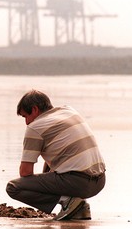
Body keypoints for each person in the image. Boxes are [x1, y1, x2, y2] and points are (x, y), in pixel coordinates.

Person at [6, 89, 106, 220]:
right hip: (99, 181)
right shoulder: (69, 111)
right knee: (52, 165)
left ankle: (67, 201)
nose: (26, 122)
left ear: (35, 110)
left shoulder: (35, 127)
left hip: (78, 183)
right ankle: (78, 207)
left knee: (13, 187)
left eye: (26, 116)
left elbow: (25, 172)